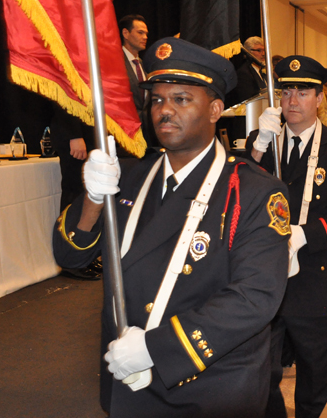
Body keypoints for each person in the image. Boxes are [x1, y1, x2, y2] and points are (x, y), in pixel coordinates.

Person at [53, 37, 291, 418]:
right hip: (130, 376)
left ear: (215, 109)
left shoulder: (254, 191)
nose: (165, 111)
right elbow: (69, 256)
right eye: (158, 99)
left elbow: (255, 297)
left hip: (207, 382)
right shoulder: (129, 177)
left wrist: (156, 348)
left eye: (181, 99)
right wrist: (94, 198)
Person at [243, 55, 327, 418]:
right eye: (286, 92)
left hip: (315, 280)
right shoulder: (263, 140)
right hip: (263, 279)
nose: (293, 101)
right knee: (259, 377)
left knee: (316, 379)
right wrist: (259, 146)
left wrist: (304, 235)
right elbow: (237, 195)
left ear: (320, 98)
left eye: (303, 92)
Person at [49, 103, 101, 280]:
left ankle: (85, 253)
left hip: (89, 134)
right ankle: (70, 257)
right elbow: (63, 99)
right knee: (75, 194)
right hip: (76, 136)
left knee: (89, 194)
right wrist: (74, 135)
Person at [119, 14, 158, 148]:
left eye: (146, 33)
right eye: (140, 33)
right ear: (126, 33)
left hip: (147, 135)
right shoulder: (115, 63)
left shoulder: (144, 65)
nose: (145, 37)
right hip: (124, 135)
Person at [227, 36, 267, 106]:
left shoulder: (261, 72)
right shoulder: (244, 73)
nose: (263, 54)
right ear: (249, 53)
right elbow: (248, 100)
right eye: (259, 50)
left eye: (264, 50)